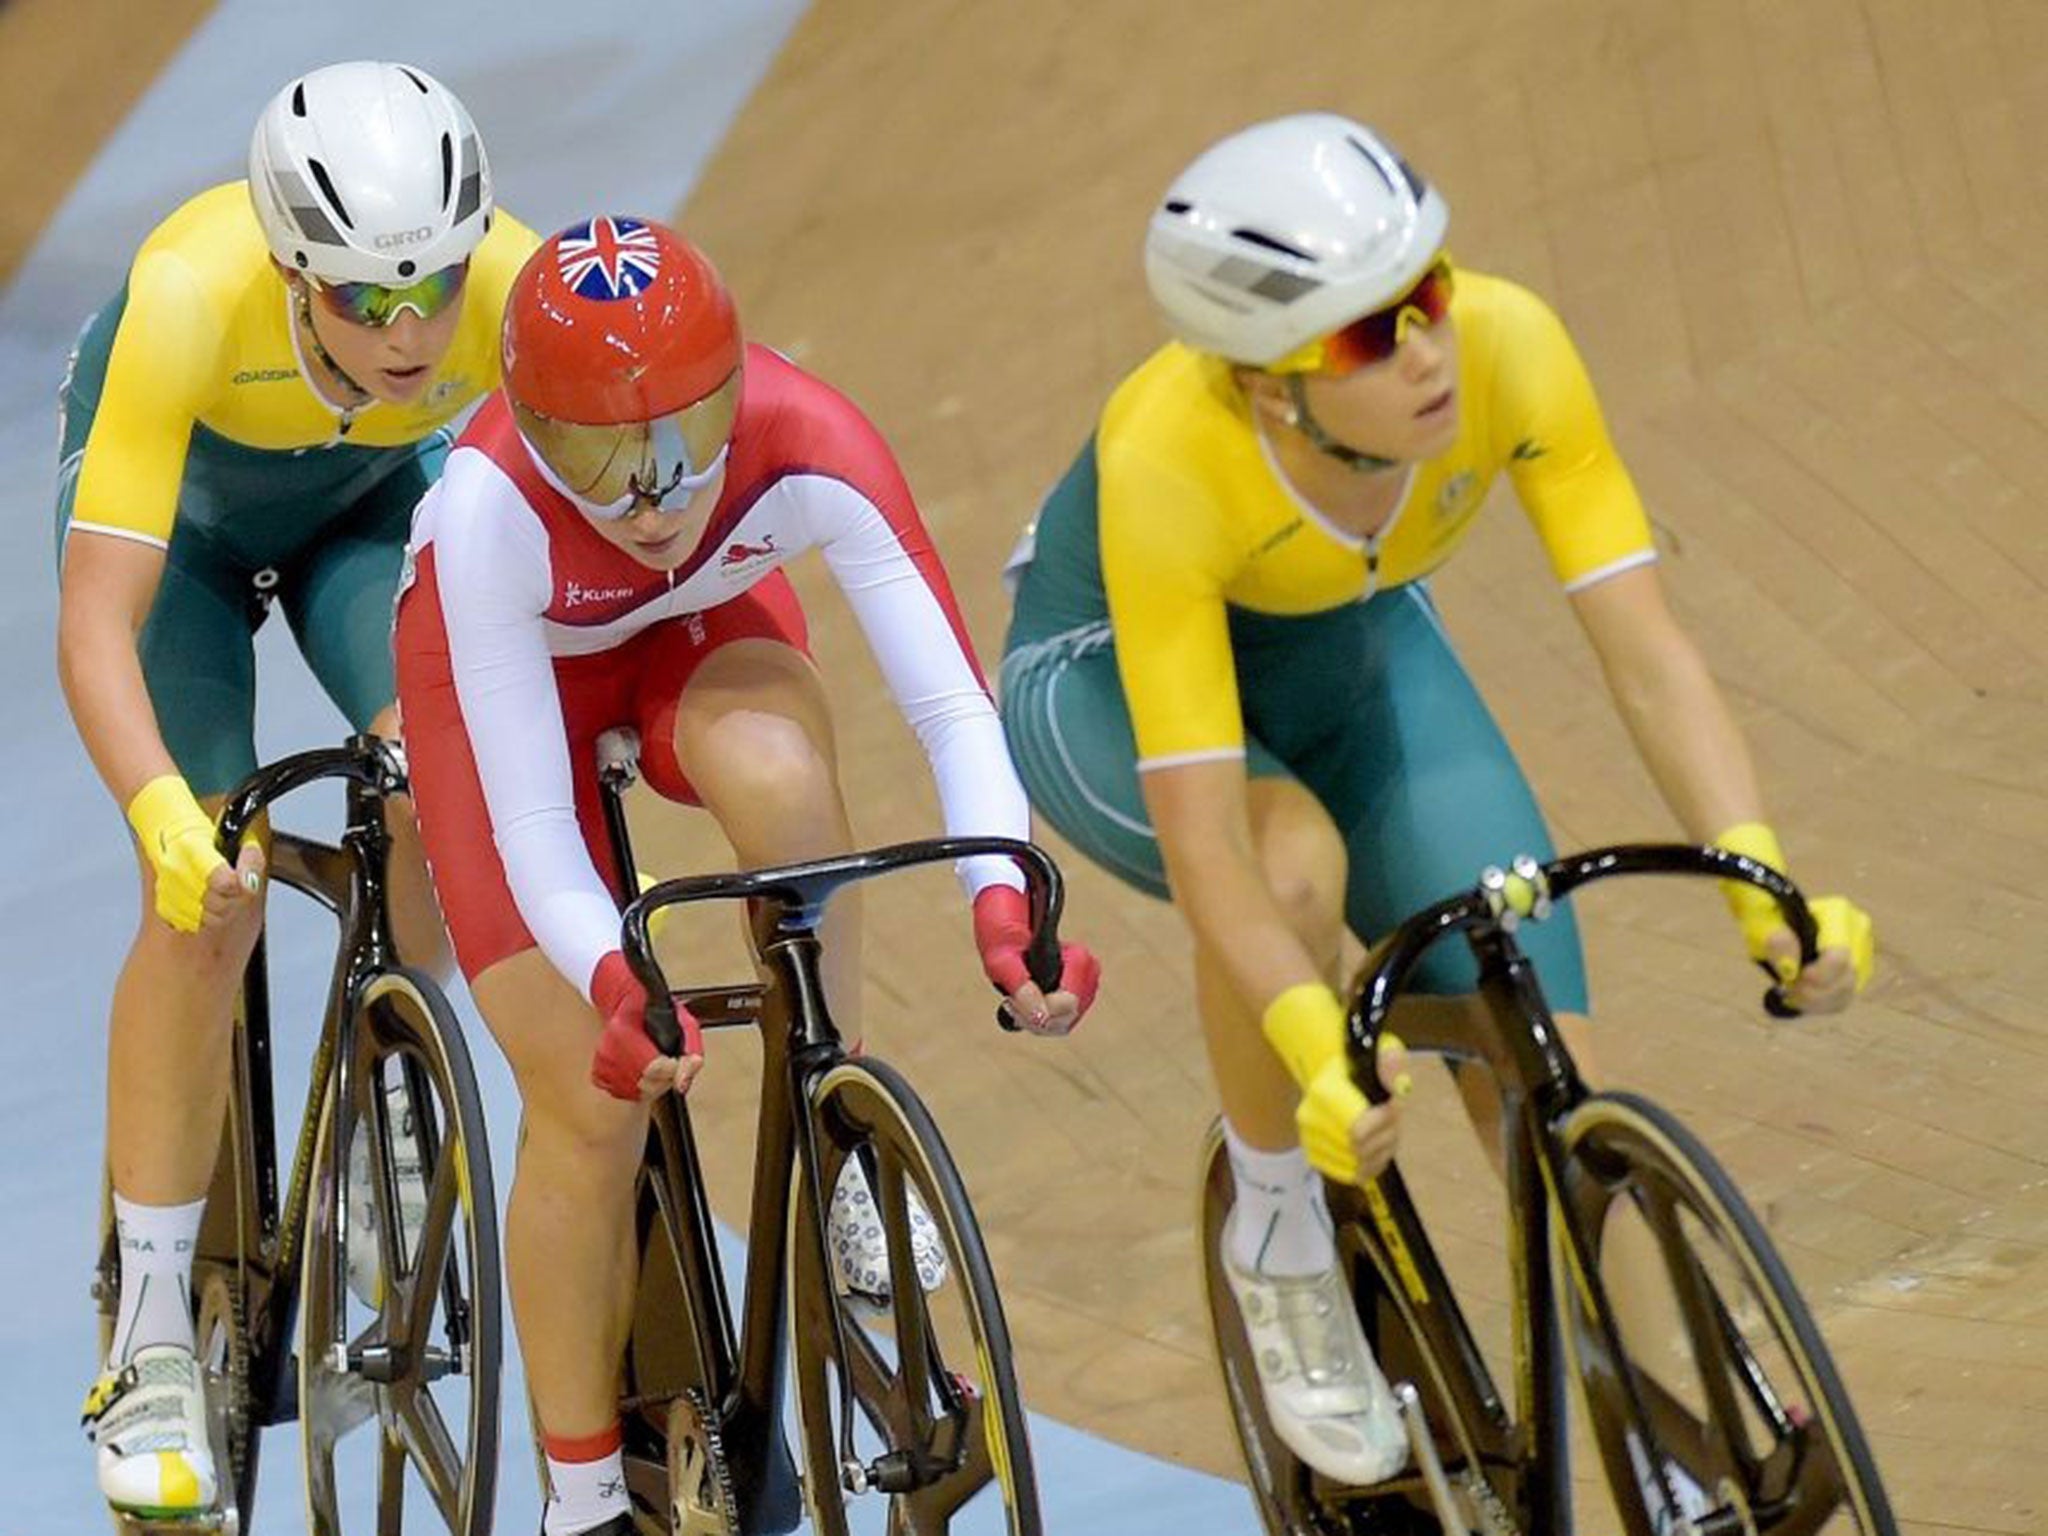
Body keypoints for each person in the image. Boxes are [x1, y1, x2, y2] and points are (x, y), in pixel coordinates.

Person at [997, 112, 1875, 1488]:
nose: (1424, 349)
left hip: (1347, 645)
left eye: (1427, 296)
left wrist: (1758, 870)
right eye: (1364, 336)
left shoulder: (1511, 342)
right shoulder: (1168, 453)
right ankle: (1279, 1229)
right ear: (1269, 388)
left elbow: (1647, 653)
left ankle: (1699, 1470)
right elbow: (1207, 841)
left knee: (1526, 1043)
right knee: (1292, 876)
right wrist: (1307, 1031)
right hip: (1109, 679)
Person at [392, 214, 1100, 1536]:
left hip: (703, 636)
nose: (653, 492)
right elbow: (538, 823)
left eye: (682, 438)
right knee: (584, 1103)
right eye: (602, 455)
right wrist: (610, 973)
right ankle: (583, 1496)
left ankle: (835, 1128)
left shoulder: (810, 434)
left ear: (738, 391)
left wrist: (1005, 904)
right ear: (534, 432)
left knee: (783, 780)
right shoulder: (486, 510)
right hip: (506, 692)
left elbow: (954, 710)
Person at [57, 60, 537, 1520]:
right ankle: (145, 1338)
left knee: (428, 765)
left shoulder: (516, 291)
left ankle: (390, 1099)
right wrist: (159, 811)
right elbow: (96, 624)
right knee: (219, 894)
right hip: (184, 549)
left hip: (365, 513)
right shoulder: (185, 299)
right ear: (286, 268)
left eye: (433, 292)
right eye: (365, 302)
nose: (413, 334)